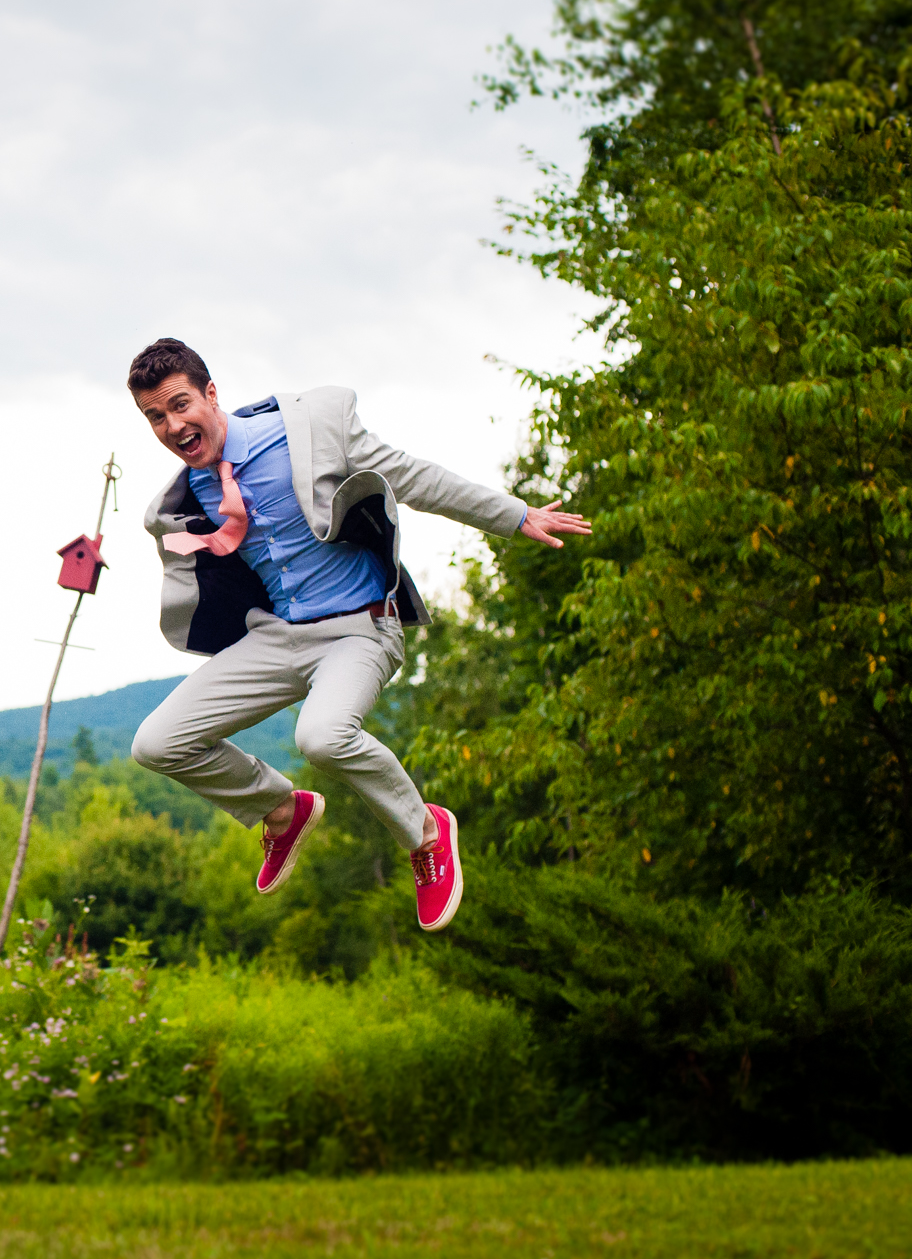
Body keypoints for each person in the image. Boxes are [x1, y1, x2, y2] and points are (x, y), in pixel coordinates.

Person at [125, 338, 588, 931]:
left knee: (322, 736)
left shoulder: (310, 428)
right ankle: (280, 810)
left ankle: (425, 831)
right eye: (155, 417)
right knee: (157, 744)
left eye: (180, 405)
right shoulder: (182, 499)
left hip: (358, 630)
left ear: (211, 393)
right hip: (276, 638)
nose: (173, 425)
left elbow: (414, 478)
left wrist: (515, 515)